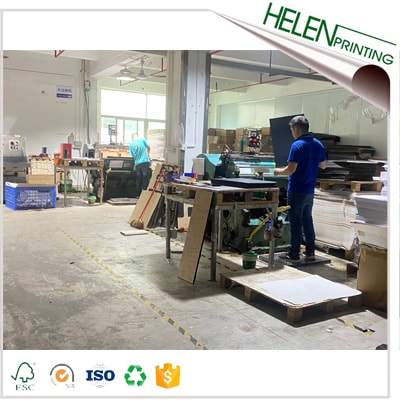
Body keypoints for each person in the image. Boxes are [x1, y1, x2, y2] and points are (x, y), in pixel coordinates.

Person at [274, 116, 327, 263]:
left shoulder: (297, 145)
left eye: (292, 129)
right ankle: (310, 253)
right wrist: (310, 162)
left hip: (296, 189)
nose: (292, 132)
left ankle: (294, 254)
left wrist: (277, 171)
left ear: (296, 129)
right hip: (309, 189)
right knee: (307, 220)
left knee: (295, 222)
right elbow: (323, 165)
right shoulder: (317, 144)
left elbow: (290, 169)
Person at [129, 133, 151, 197]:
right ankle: (144, 195)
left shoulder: (131, 144)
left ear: (132, 138)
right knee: (145, 179)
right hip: (145, 162)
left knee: (138, 179)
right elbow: (149, 147)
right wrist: (148, 155)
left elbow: (132, 156)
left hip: (137, 164)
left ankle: (138, 195)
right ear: (137, 136)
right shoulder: (142, 139)